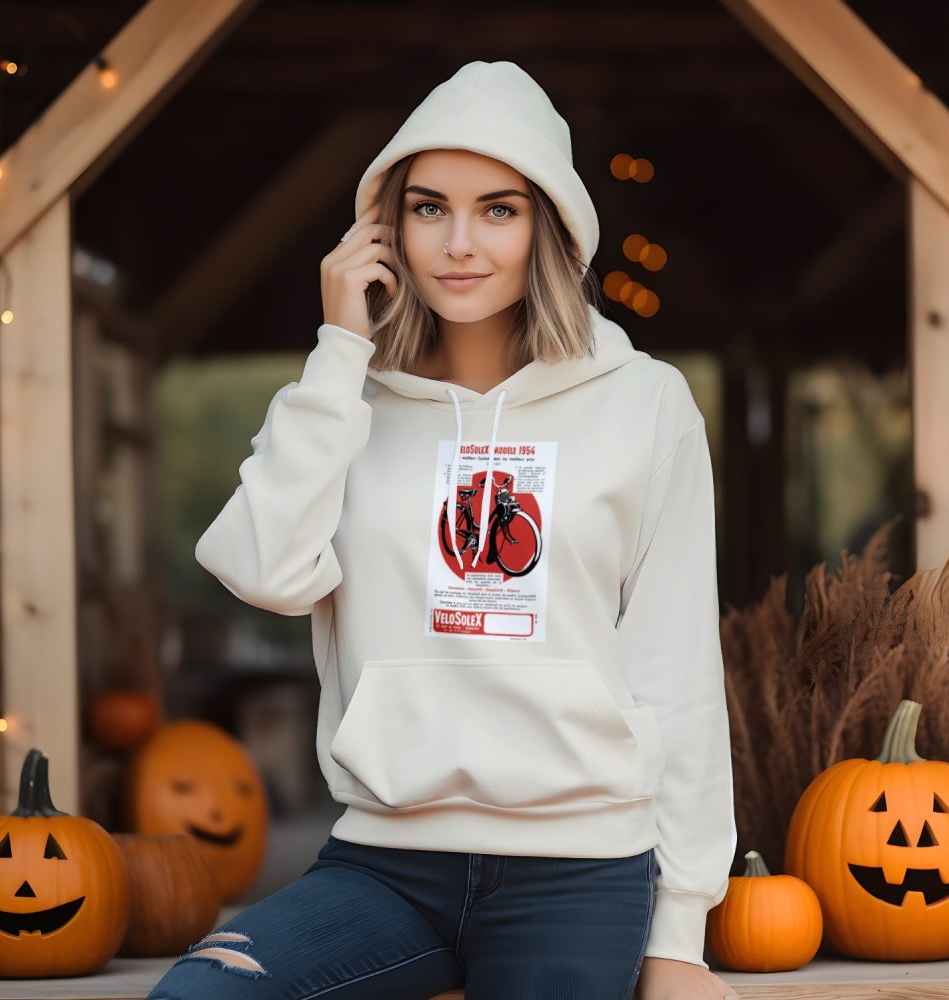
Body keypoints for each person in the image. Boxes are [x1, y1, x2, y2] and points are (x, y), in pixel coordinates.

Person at [149, 60, 739, 1000]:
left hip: (579, 870)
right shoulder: (340, 402)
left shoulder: (645, 403)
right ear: (386, 226)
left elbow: (677, 672)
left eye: (498, 209)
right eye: (430, 208)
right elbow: (264, 569)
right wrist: (340, 352)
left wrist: (680, 937)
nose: (459, 243)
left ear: (549, 225)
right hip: (383, 862)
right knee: (200, 994)